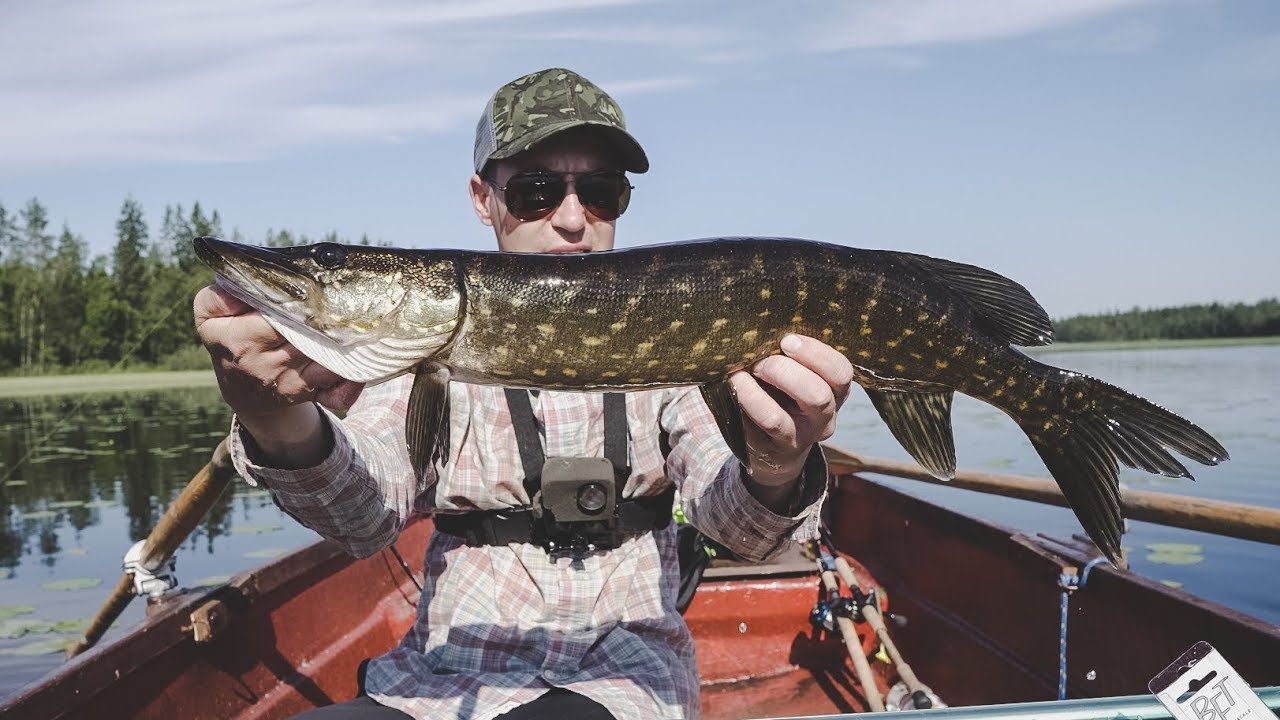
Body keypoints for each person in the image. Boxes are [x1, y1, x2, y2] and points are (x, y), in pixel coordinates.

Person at [194, 67, 854, 720]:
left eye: (600, 192)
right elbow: (362, 518)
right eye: (537, 192)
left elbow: (739, 530)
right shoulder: (421, 352)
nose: (573, 219)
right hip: (441, 682)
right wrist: (275, 420)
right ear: (484, 199)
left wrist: (777, 464)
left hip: (622, 681)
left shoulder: (682, 341)